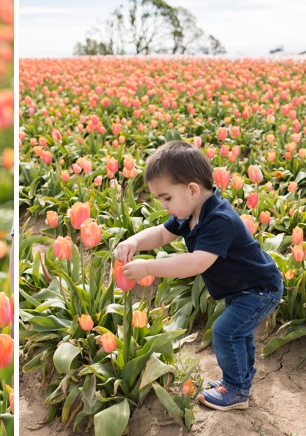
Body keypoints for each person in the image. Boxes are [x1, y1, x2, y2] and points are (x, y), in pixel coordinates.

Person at [115, 140, 283, 412]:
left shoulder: (219, 219)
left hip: (259, 289)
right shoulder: (191, 212)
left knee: (225, 332)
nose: (164, 206)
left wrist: (148, 268)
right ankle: (239, 381)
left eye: (166, 198)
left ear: (192, 189)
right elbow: (160, 233)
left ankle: (237, 390)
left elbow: (196, 263)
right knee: (239, 335)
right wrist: (134, 241)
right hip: (242, 288)